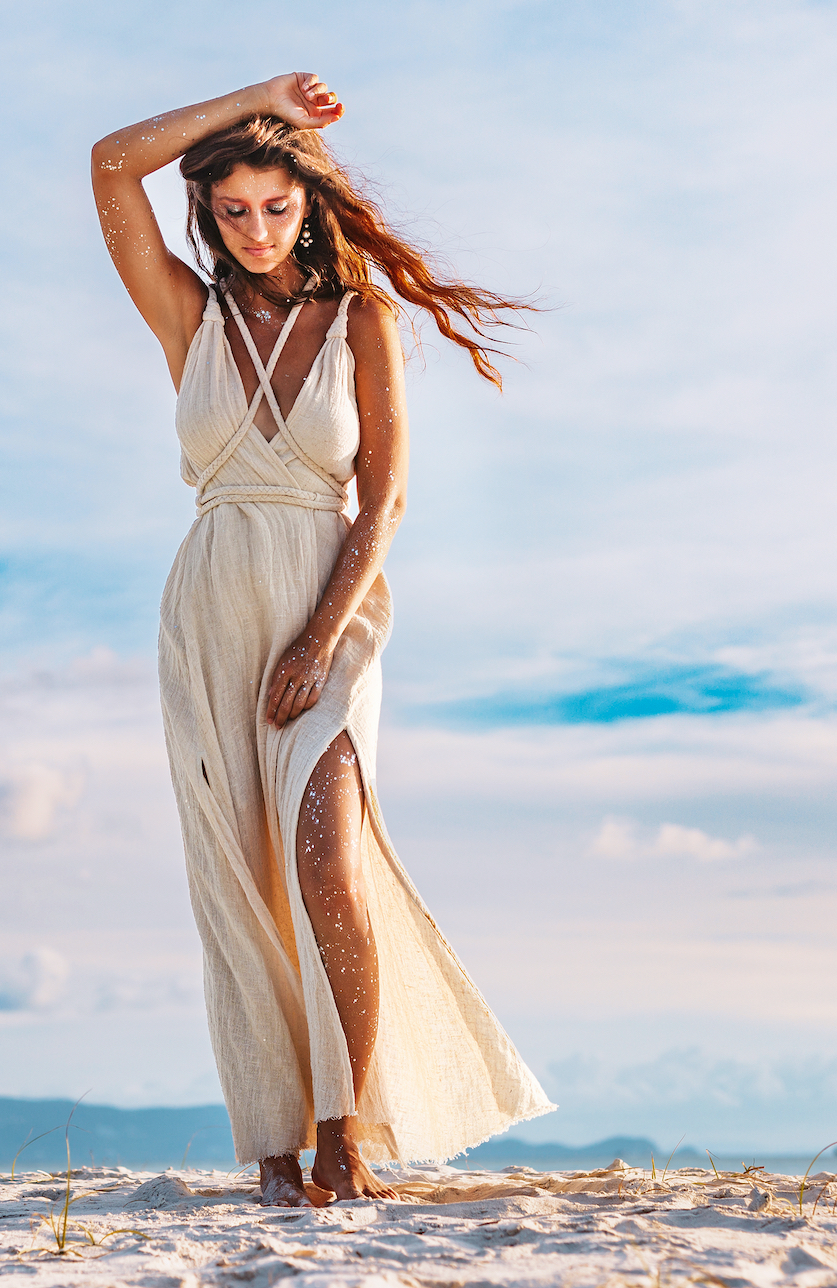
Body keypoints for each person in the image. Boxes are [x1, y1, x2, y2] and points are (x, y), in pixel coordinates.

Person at [90, 72, 553, 1206]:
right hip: (207, 608)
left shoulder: (359, 320)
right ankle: (273, 1145)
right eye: (233, 209)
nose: (255, 229)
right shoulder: (186, 316)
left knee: (325, 867)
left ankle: (348, 1127)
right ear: (208, 215)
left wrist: (319, 636)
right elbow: (110, 164)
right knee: (234, 881)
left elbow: (384, 496)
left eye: (276, 205)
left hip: (329, 604)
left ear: (309, 206)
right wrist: (253, 101)